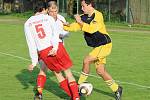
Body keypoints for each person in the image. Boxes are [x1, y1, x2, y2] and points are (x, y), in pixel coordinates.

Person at [63, 0, 123, 100]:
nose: (82, 8)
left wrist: (80, 22)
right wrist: (65, 26)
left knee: (86, 60)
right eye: (81, 6)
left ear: (90, 5)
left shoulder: (98, 15)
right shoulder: (83, 16)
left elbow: (91, 29)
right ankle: (117, 89)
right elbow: (75, 27)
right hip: (98, 46)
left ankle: (79, 85)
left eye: (83, 6)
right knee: (100, 71)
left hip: (104, 44)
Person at [24, 2, 79, 100]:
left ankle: (40, 93)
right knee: (68, 73)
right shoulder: (48, 18)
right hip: (57, 47)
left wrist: (33, 62)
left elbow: (31, 43)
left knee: (57, 74)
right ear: (45, 10)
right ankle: (76, 97)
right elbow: (55, 34)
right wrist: (55, 48)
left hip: (43, 51)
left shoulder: (27, 23)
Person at [36, 1, 75, 99]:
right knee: (46, 69)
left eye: (55, 10)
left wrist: (65, 28)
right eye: (51, 11)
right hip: (45, 49)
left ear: (58, 9)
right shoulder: (45, 20)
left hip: (58, 48)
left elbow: (67, 34)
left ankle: (73, 95)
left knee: (59, 72)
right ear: (47, 10)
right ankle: (39, 93)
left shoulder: (61, 18)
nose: (54, 13)